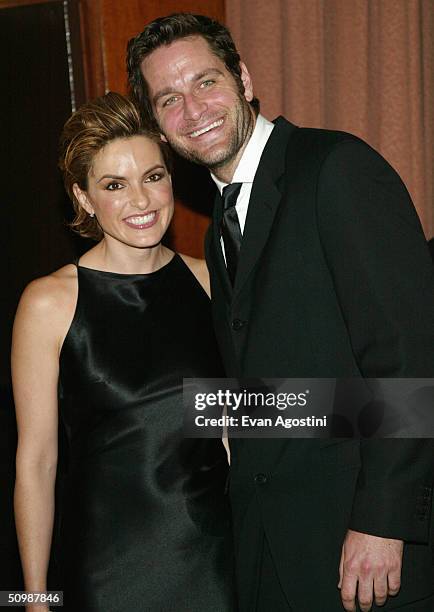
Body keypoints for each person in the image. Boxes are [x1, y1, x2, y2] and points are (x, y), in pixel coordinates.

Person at [127, 13, 434, 612]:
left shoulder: (334, 169)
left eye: (206, 82)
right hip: (275, 551)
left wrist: (383, 522)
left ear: (242, 77)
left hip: (364, 553)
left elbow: (410, 356)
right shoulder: (220, 222)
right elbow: (285, 389)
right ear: (159, 127)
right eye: (170, 99)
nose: (194, 110)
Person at [12, 92, 236, 612]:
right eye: (115, 185)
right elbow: (36, 463)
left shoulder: (208, 281)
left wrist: (393, 411)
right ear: (85, 198)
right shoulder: (49, 302)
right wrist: (32, 599)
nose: (142, 199)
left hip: (213, 564)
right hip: (105, 573)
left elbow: (232, 429)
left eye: (153, 176)